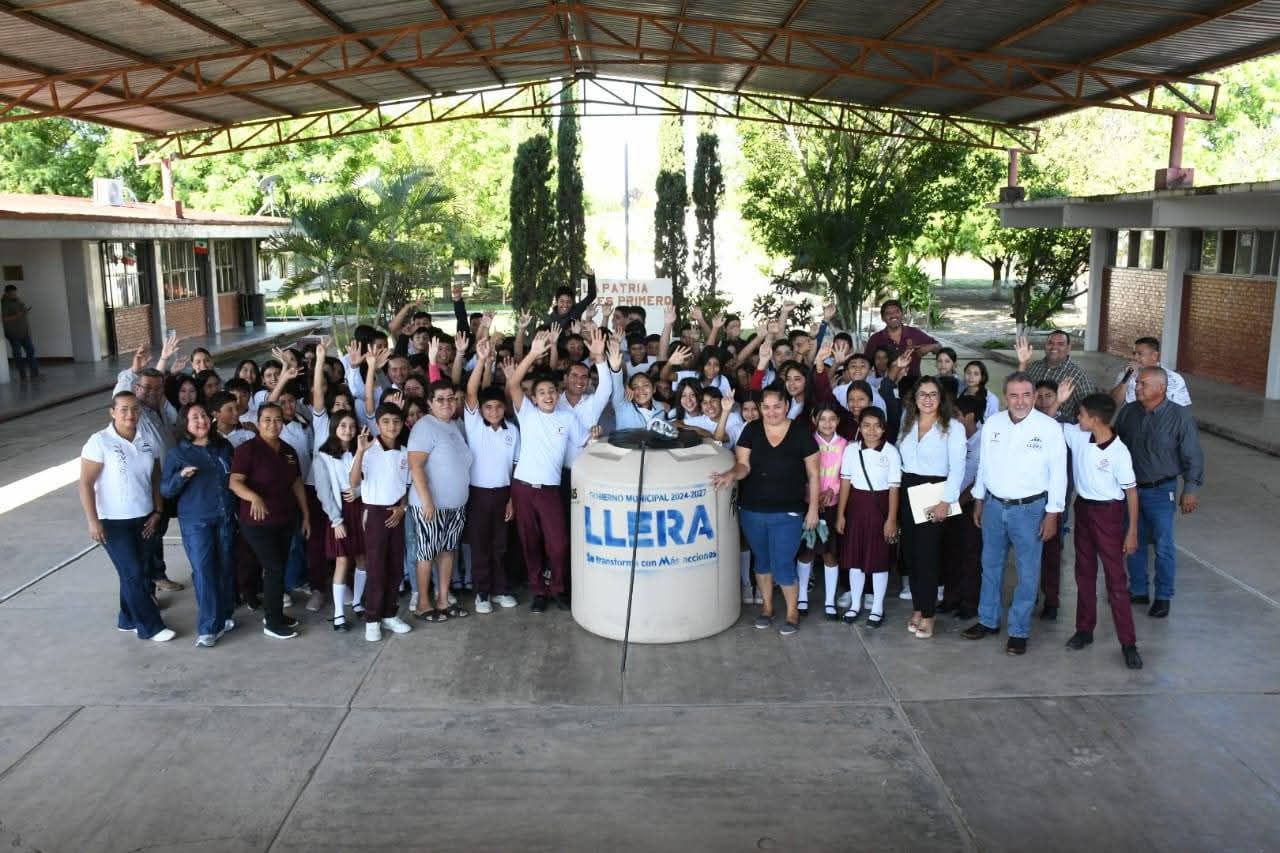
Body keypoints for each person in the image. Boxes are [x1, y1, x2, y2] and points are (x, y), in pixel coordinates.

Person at [963, 372, 1068, 655]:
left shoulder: (1049, 428)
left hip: (1031, 510)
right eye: (1013, 395)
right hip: (995, 507)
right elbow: (984, 464)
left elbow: (1059, 474)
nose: (1020, 401)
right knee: (991, 566)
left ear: (1034, 396)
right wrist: (979, 499)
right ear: (1005, 396)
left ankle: (1019, 630)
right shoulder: (994, 423)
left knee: (1027, 573)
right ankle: (988, 620)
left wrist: (1053, 514)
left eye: (1025, 395)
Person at [711, 386, 820, 637]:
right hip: (752, 509)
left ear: (787, 406)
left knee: (783, 563)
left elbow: (814, 474)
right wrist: (731, 475)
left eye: (777, 406)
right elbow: (743, 465)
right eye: (766, 407)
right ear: (760, 408)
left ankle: (792, 612)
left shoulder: (801, 432)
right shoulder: (751, 430)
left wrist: (812, 508)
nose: (771, 412)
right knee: (762, 561)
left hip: (789, 511)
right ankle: (768, 608)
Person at [1056, 387, 1144, 670]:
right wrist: (1058, 400)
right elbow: (1047, 421)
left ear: (1094, 419)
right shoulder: (1080, 436)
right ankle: (1084, 629)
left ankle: (1128, 643)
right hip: (1083, 509)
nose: (1077, 418)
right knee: (1084, 573)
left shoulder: (1119, 452)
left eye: (1080, 414)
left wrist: (1131, 532)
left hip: (1109, 513)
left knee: (1116, 580)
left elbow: (1131, 492)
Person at [507, 332, 593, 612]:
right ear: (534, 397)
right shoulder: (527, 413)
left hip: (550, 490)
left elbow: (585, 442)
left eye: (551, 392)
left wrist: (596, 435)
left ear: (558, 394)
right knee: (530, 542)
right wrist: (533, 354)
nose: (547, 396)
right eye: (541, 392)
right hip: (522, 487)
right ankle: (538, 591)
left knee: (558, 543)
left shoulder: (567, 417)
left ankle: (557, 587)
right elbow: (513, 382)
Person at [79, 391, 175, 642]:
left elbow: (155, 477)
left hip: (144, 517)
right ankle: (150, 627)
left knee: (137, 571)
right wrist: (93, 520)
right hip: (113, 521)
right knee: (132, 572)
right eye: (123, 409)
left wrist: (157, 510)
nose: (130, 414)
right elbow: (86, 483)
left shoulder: (146, 440)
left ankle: (127, 618)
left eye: (134, 409)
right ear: (112, 412)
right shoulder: (99, 442)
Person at [1112, 366, 1204, 618]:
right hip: (1131, 491)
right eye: (1137, 384)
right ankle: (1139, 589)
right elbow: (1115, 448)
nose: (1137, 388)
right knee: (1133, 541)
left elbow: (1192, 455)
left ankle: (1163, 596)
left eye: (1142, 384)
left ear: (1161, 388)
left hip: (1162, 490)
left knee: (1163, 545)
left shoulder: (1179, 417)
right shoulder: (1129, 413)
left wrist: (1191, 489)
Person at [229, 403, 311, 639]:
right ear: (258, 421)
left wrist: (305, 515)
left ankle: (274, 613)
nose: (272, 424)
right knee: (274, 568)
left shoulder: (288, 450)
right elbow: (235, 482)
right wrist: (253, 497)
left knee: (279, 567)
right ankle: (273, 622)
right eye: (267, 419)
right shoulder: (248, 449)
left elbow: (296, 483)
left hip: (285, 519)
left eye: (277, 420)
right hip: (257, 523)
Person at [161, 403, 237, 647]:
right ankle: (208, 627)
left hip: (225, 517)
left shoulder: (223, 447)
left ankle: (224, 615)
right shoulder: (179, 453)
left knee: (225, 567)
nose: (201, 420)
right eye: (194, 417)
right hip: (197, 522)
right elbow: (165, 490)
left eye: (204, 415)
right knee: (204, 571)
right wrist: (180, 477)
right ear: (185, 424)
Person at [896, 376, 966, 640]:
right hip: (907, 489)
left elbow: (958, 468)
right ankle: (918, 608)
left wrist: (946, 501)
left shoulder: (953, 427)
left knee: (928, 556)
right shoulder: (907, 421)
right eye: (922, 394)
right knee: (911, 555)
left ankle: (929, 615)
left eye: (933, 394)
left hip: (935, 493)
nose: (927, 399)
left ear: (941, 398)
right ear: (914, 398)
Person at [407, 379, 474, 622]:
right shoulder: (425, 426)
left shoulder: (455, 425)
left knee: (447, 551)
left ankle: (443, 600)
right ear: (430, 403)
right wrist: (427, 502)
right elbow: (415, 466)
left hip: (455, 506)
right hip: (430, 506)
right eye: (440, 399)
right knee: (426, 553)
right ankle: (423, 605)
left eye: (451, 398)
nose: (447, 403)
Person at [463, 336, 521, 613]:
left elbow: (515, 468)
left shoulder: (513, 431)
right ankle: (482, 593)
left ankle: (501, 589)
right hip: (478, 494)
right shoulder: (474, 426)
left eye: (498, 407)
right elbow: (472, 392)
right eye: (488, 407)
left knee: (501, 544)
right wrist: (482, 360)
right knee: (480, 544)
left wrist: (512, 499)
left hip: (503, 494)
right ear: (481, 410)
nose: (494, 411)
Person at [350, 405, 413, 642]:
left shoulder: (405, 452)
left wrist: (403, 507)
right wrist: (359, 452)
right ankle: (372, 618)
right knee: (376, 567)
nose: (392, 426)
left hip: (396, 511)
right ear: (378, 424)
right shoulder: (368, 449)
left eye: (396, 421)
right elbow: (353, 481)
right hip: (375, 513)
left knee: (395, 565)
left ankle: (389, 613)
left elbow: (406, 486)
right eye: (386, 422)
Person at [835, 406, 901, 627]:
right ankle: (856, 604)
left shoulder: (891, 452)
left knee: (878, 559)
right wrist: (841, 514)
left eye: (876, 426)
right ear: (859, 427)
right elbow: (845, 482)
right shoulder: (851, 450)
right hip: (856, 508)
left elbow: (894, 489)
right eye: (866, 425)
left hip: (879, 510)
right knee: (855, 560)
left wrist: (891, 519)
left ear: (883, 428)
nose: (871, 431)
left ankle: (877, 607)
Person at [313, 412, 367, 634]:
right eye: (343, 425)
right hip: (339, 513)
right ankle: (338, 614)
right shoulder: (323, 456)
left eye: (352, 426)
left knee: (363, 558)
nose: (348, 430)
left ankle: (357, 602)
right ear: (334, 427)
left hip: (360, 509)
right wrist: (336, 520)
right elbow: (323, 492)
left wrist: (358, 491)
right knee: (342, 561)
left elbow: (370, 479)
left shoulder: (360, 451)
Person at [1015, 330, 1096, 422]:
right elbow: (1018, 388)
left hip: (1061, 427)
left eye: (1060, 344)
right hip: (1029, 421)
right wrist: (1023, 363)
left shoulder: (1077, 375)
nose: (1054, 347)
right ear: (1045, 346)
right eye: (1050, 343)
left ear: (1068, 348)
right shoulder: (1035, 366)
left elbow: (1091, 408)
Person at [863, 299, 939, 377]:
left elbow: (939, 347)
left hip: (913, 385)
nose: (893, 315)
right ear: (882, 318)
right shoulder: (875, 339)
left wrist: (931, 347)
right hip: (884, 386)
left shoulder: (915, 333)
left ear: (902, 314)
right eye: (888, 313)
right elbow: (865, 364)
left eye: (897, 311)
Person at [1111, 336, 1191, 407]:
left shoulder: (1174, 379)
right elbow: (1114, 403)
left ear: (1154, 356)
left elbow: (1182, 410)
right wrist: (1127, 379)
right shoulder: (1126, 374)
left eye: (1140, 354)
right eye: (1134, 353)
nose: (1135, 358)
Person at [2, 283, 39, 381]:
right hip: (13, 333)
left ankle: (35, 374)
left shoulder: (18, 300)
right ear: (6, 293)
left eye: (15, 293)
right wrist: (19, 315)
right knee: (18, 354)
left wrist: (25, 311)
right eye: (12, 293)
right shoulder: (4, 303)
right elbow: (4, 319)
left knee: (31, 351)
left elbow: (22, 313)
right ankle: (22, 375)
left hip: (24, 332)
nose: (14, 295)